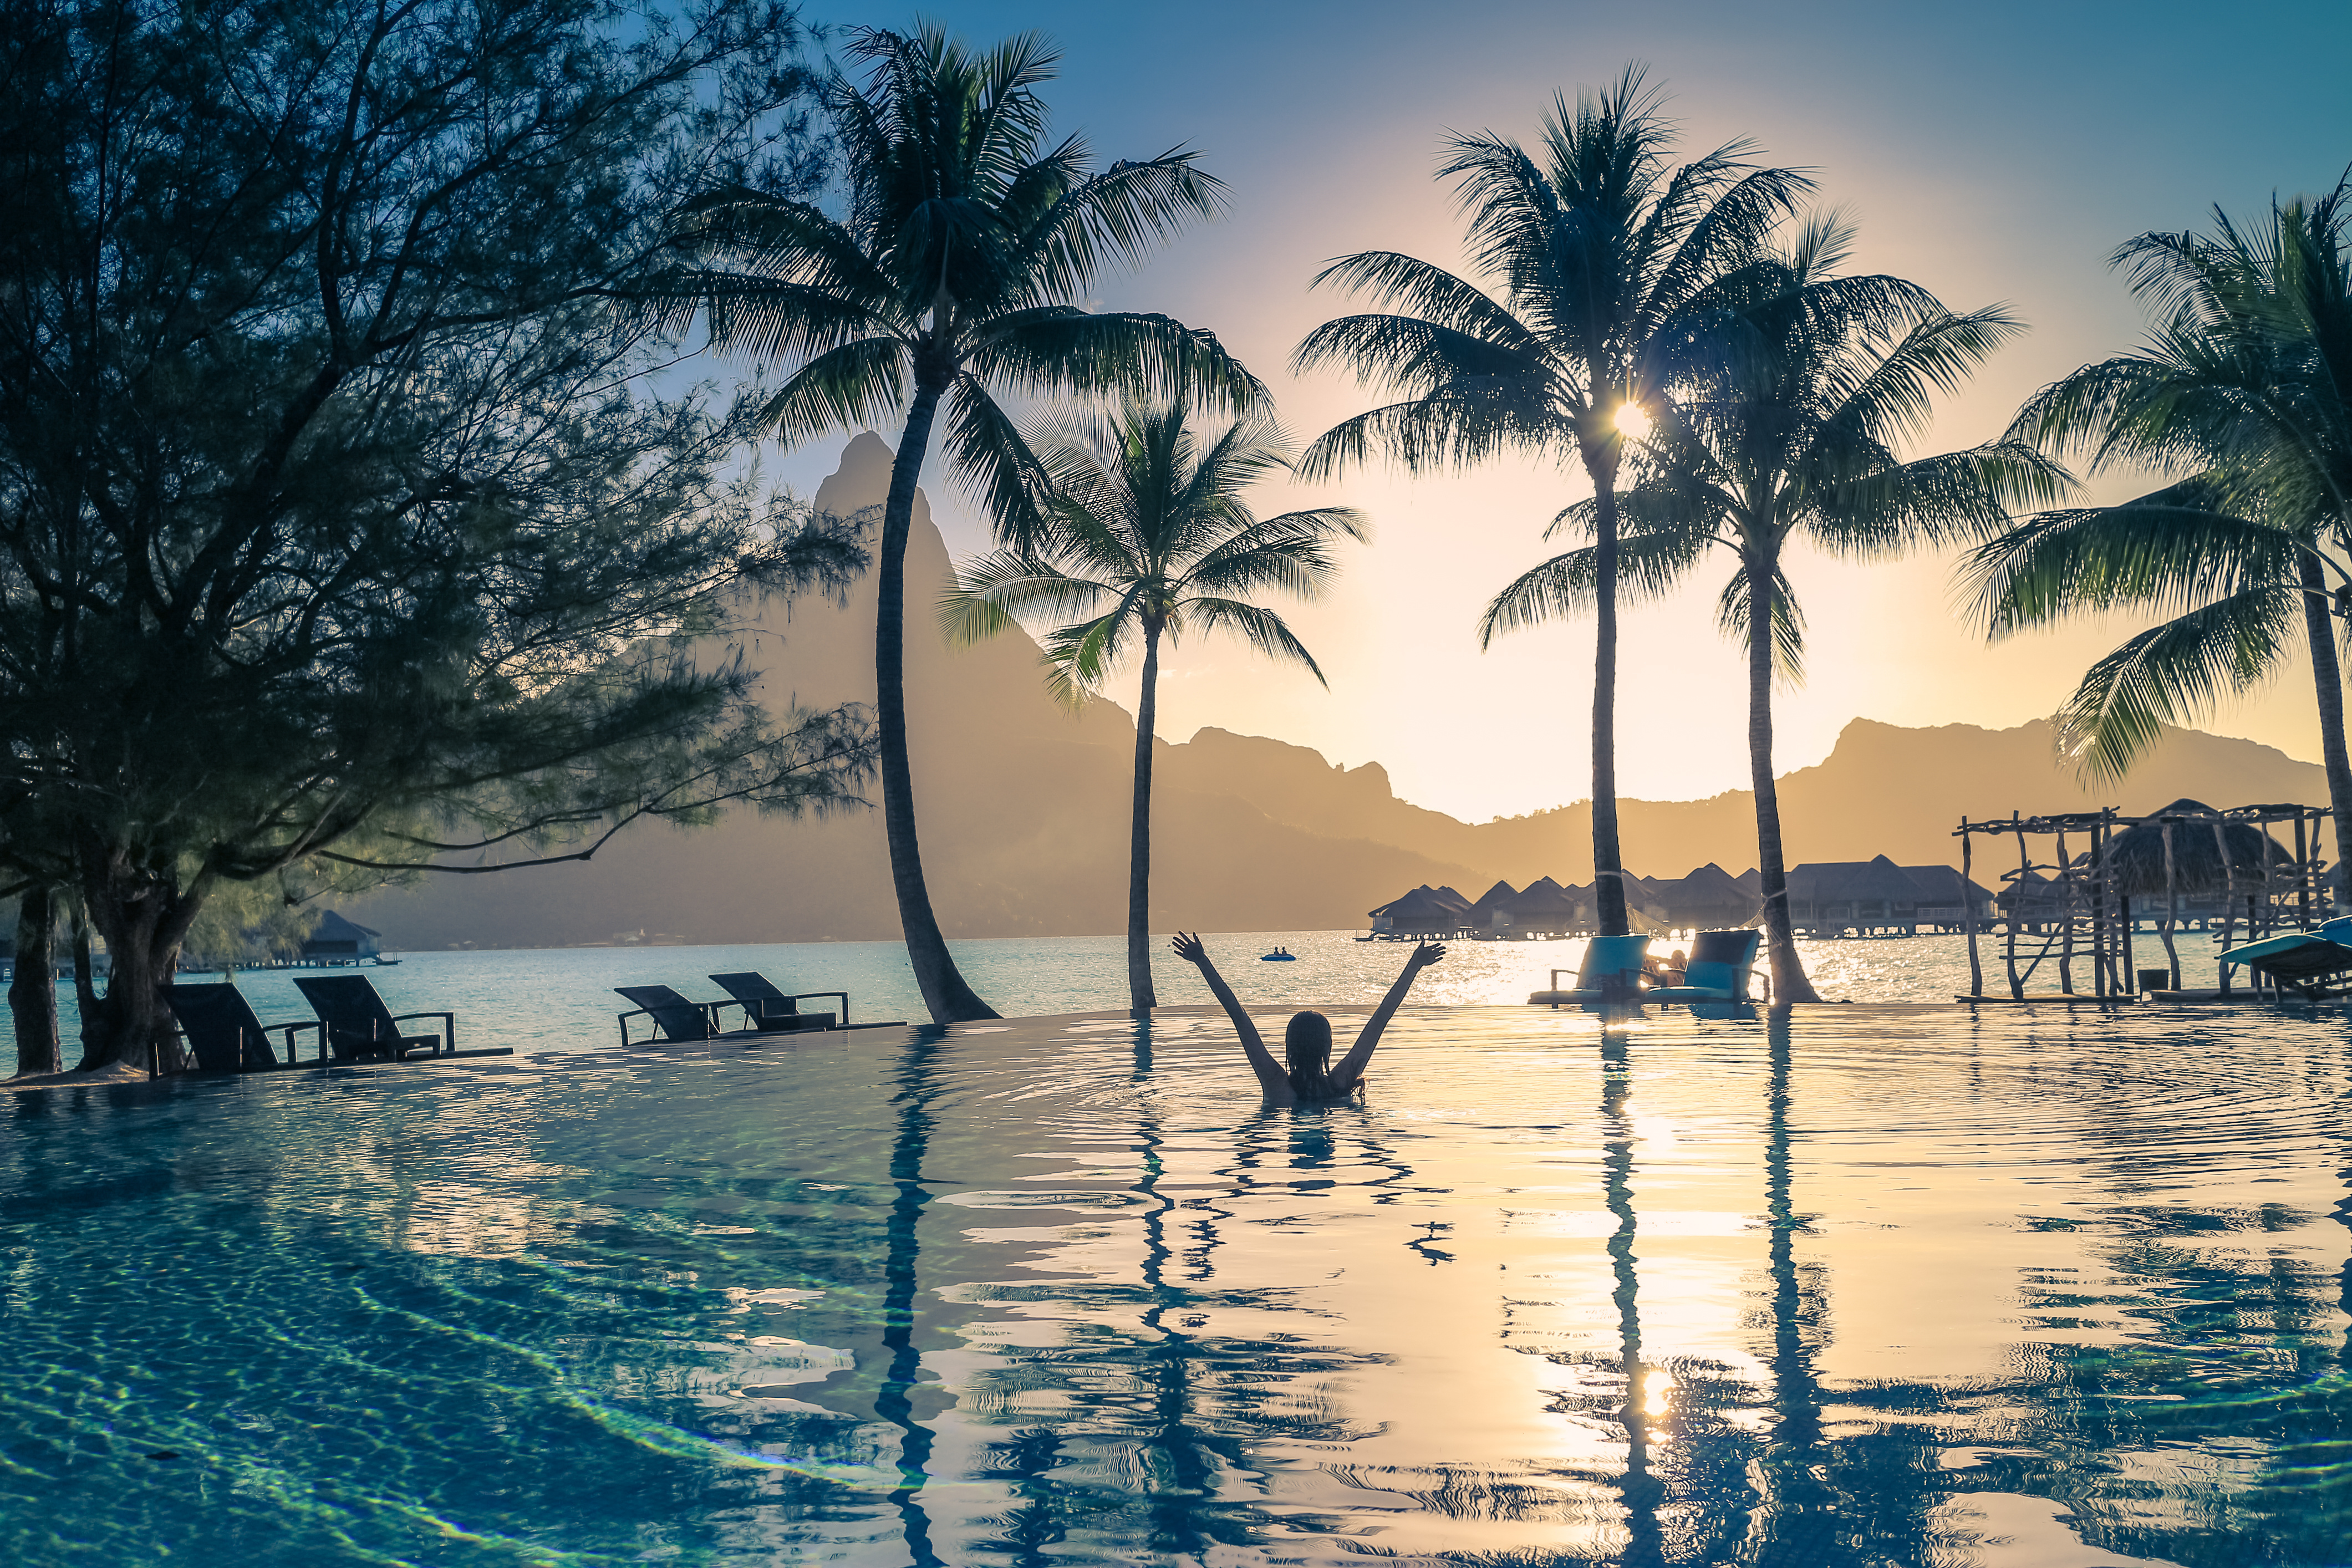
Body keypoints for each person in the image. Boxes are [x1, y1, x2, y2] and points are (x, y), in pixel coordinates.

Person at [1171, 931, 1446, 1105]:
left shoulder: (1276, 1084)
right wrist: (1414, 965)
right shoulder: (1341, 1081)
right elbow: (1381, 1019)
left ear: (1289, 1048)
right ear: (1327, 1047)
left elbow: (1238, 1016)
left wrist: (1202, 962)